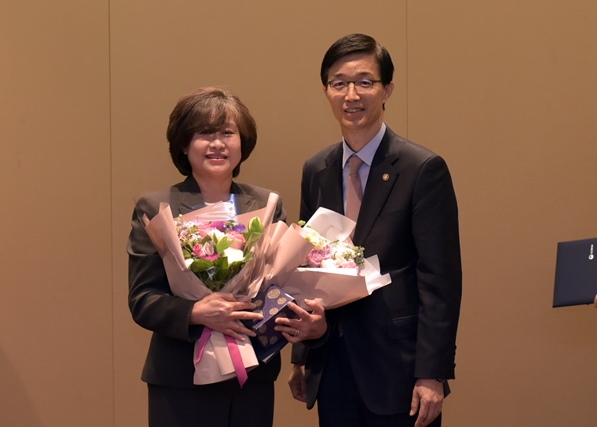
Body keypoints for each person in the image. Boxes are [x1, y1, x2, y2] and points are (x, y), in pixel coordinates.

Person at [274, 34, 462, 427]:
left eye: (364, 81)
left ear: (387, 89)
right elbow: (305, 266)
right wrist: (303, 355)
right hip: (333, 362)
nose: (351, 94)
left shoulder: (422, 169)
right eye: (339, 83)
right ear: (325, 90)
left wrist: (432, 373)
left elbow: (440, 280)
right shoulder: (317, 169)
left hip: (398, 367)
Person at [127, 87, 286, 427]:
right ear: (184, 145)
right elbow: (143, 299)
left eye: (227, 133)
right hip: (181, 379)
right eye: (205, 134)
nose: (218, 144)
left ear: (242, 142)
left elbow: (281, 287)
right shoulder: (157, 208)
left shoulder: (266, 204)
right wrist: (196, 311)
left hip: (251, 377)